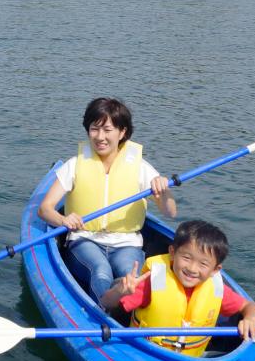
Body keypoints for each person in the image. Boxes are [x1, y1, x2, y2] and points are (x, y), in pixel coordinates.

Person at [38, 97, 176, 303]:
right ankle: (104, 310)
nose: (100, 137)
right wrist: (63, 220)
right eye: (94, 129)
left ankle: (125, 314)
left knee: (130, 278)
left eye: (108, 130)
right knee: (100, 271)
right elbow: (45, 209)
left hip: (127, 243)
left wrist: (163, 190)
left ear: (122, 133)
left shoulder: (141, 168)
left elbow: (170, 212)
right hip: (85, 239)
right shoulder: (74, 165)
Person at [100, 220, 255, 355]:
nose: (192, 268)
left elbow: (249, 306)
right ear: (172, 253)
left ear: (215, 270)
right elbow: (106, 302)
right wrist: (120, 291)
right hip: (146, 353)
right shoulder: (154, 282)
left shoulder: (216, 288)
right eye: (186, 258)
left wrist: (250, 318)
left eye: (203, 264)